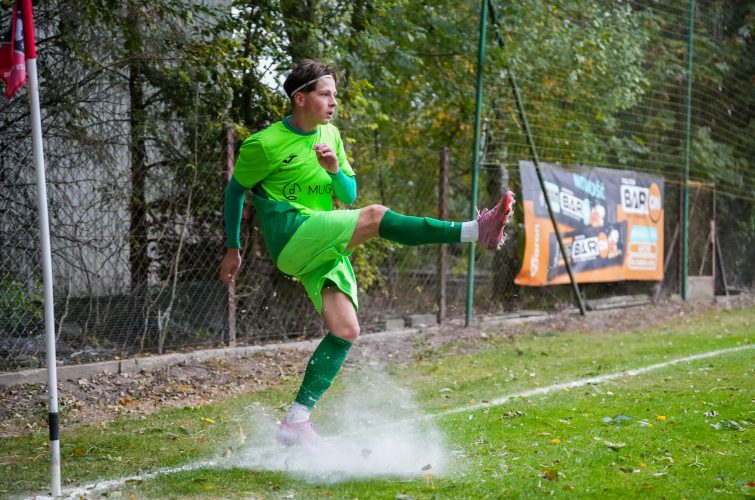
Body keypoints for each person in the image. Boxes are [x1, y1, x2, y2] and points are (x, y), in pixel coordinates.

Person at [220, 59, 515, 447]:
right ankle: (475, 231)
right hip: (291, 234)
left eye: (335, 95)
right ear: (300, 98)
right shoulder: (264, 144)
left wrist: (333, 168)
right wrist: (233, 248)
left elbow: (348, 194)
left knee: (346, 330)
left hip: (320, 243)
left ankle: (296, 421)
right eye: (325, 94)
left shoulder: (331, 135)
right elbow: (235, 192)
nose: (333, 102)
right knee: (375, 216)